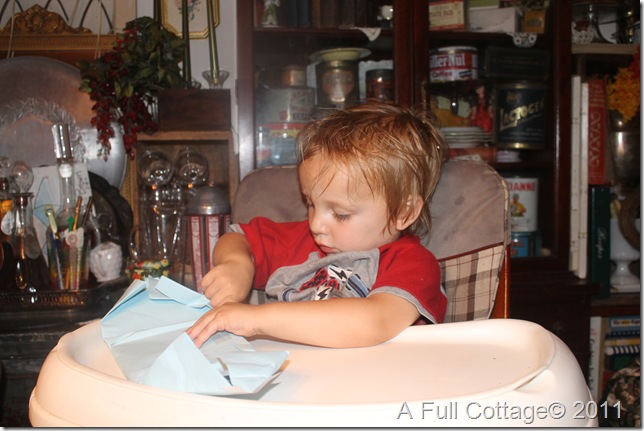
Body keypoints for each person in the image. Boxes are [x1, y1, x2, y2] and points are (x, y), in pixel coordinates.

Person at [187, 103, 448, 349]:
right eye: (311, 204)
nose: (316, 225)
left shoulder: (414, 264)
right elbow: (238, 238)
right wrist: (236, 264)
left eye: (341, 214)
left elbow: (374, 322)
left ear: (404, 212)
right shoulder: (301, 240)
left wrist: (255, 319)